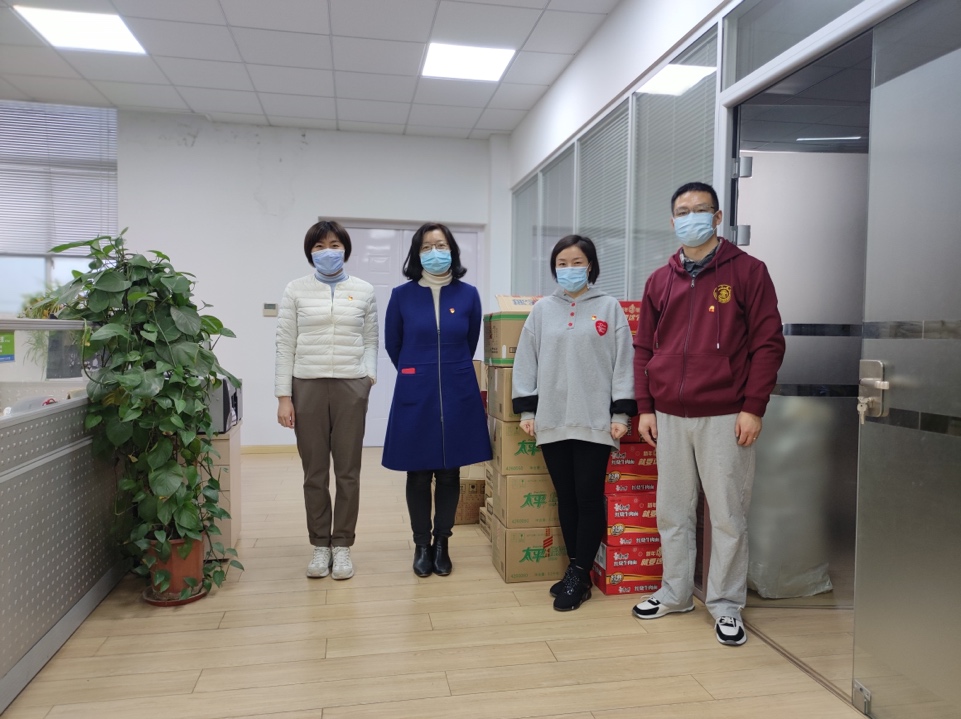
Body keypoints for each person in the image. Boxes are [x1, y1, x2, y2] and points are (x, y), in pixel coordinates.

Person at [631, 181, 785, 646]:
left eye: (700, 210)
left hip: (725, 414)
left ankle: (725, 604)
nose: (690, 217)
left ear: (717, 218)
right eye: (682, 211)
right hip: (669, 416)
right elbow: (644, 348)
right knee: (673, 512)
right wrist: (645, 407)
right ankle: (676, 592)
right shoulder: (659, 280)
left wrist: (753, 407)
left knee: (727, 516)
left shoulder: (748, 271)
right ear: (672, 220)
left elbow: (768, 344)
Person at [512, 235, 637, 611]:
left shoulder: (609, 307)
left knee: (587, 496)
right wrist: (528, 411)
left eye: (577, 262)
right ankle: (576, 571)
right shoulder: (542, 310)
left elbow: (623, 363)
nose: (569, 269)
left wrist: (620, 414)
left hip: (594, 420)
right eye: (562, 263)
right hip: (552, 419)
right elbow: (526, 361)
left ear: (591, 265)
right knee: (565, 497)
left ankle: (579, 574)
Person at [382, 223, 492, 577]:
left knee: (449, 472)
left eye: (441, 245)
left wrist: (449, 371)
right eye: (427, 246)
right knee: (418, 472)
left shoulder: (468, 295)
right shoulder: (401, 295)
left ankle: (442, 543)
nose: (435, 251)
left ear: (452, 251)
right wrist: (417, 371)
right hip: (416, 390)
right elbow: (393, 344)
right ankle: (421, 544)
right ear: (417, 253)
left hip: (458, 391)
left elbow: (470, 342)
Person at [275, 220, 378, 581]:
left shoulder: (364, 290)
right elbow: (284, 344)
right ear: (310, 252)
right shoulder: (295, 290)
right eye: (319, 246)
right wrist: (284, 397)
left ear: (345, 249)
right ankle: (320, 544)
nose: (327, 252)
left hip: (351, 386)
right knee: (314, 472)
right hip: (307, 386)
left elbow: (371, 339)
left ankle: (343, 544)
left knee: (348, 472)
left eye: (334, 245)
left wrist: (368, 378)